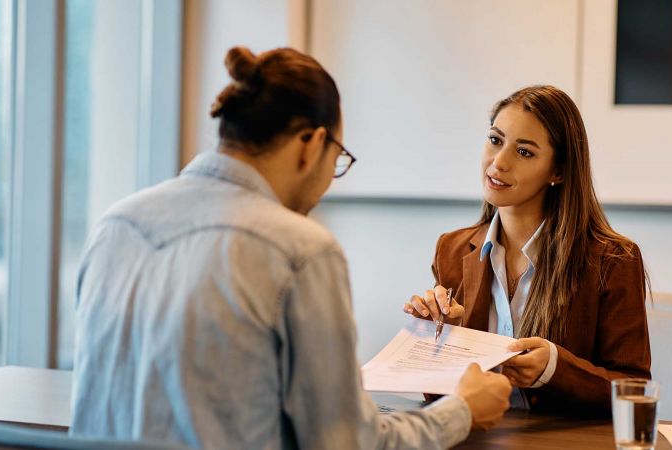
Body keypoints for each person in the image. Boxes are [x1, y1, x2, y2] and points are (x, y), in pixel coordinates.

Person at [70, 46, 512, 450]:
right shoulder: (299, 250)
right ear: (312, 143)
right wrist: (463, 409)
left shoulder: (116, 226)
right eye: (337, 158)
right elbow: (346, 444)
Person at [403, 85, 651, 416]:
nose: (499, 162)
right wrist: (442, 339)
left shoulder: (612, 259)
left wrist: (555, 370)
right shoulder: (452, 249)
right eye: (495, 140)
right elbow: (438, 399)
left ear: (558, 171)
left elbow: (634, 391)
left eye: (524, 152)